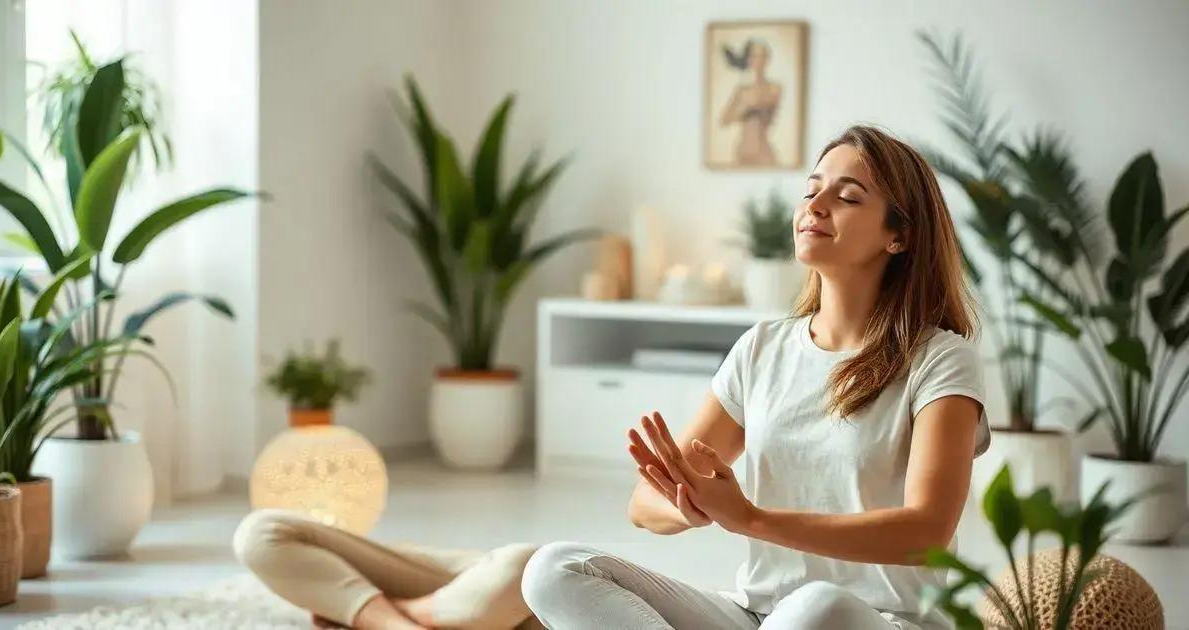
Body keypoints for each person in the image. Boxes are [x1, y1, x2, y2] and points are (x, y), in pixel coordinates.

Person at [520, 125, 991, 630]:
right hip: (759, 617)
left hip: (885, 621)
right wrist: (690, 503)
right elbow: (644, 505)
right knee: (554, 569)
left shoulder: (941, 360)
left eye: (848, 197)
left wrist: (750, 519)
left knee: (815, 609)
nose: (815, 205)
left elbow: (927, 532)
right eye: (811, 191)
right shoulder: (762, 348)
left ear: (899, 235)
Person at [233, 509, 544, 629]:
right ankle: (393, 618)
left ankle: (381, 615)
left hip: (517, 607)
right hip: (491, 577)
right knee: (260, 533)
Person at [719, 38, 783, 167]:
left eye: (763, 56)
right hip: (743, 148)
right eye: (755, 56)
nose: (759, 60)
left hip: (763, 147)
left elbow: (770, 118)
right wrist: (744, 113)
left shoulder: (775, 89)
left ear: (767, 59)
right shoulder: (742, 91)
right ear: (749, 60)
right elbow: (724, 120)